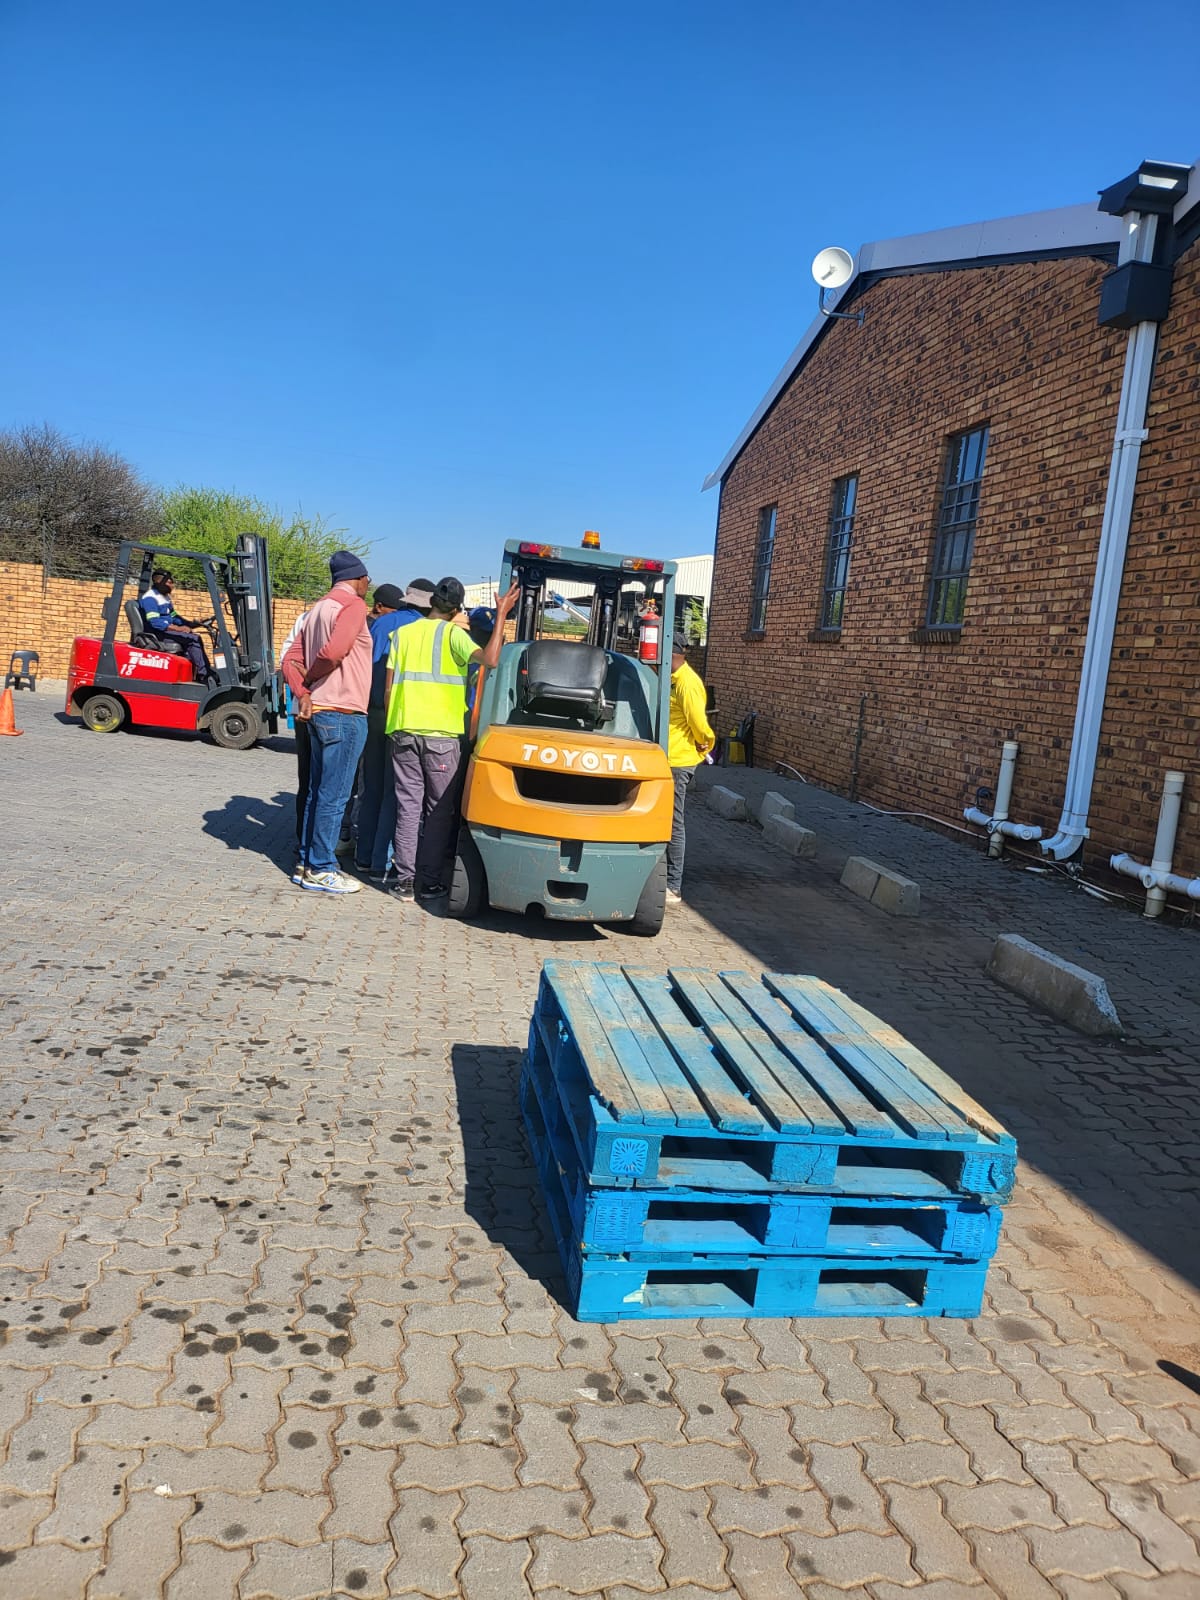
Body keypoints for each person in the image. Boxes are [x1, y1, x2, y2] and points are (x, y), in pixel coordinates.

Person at [385, 575, 519, 903]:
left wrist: (394, 725)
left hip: (403, 731)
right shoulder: (454, 636)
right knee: (438, 811)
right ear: (457, 609)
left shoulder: (401, 634)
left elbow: (389, 688)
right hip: (442, 737)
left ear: (431, 602)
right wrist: (501, 614)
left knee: (408, 807)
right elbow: (491, 659)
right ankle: (429, 881)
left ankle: (404, 881)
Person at [280, 551, 373, 894]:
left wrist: (303, 691)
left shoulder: (318, 608)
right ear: (358, 578)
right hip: (344, 713)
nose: (370, 584)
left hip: (318, 712)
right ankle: (322, 868)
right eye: (368, 578)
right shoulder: (353, 607)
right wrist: (316, 678)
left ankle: (305, 863)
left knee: (317, 794)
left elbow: (290, 658)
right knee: (334, 798)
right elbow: (334, 653)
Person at [353, 579, 435, 882]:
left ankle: (362, 857)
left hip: (372, 713)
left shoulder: (382, 623)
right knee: (395, 793)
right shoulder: (424, 632)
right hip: (402, 717)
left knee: (371, 787)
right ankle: (379, 863)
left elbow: (367, 664)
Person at [666, 631, 714, 905]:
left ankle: (673, 884)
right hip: (665, 758)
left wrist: (706, 744)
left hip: (679, 761)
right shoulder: (671, 680)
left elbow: (698, 723)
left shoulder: (688, 683)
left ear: (676, 653)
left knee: (674, 821)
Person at [139, 569, 216, 683]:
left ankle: (195, 674)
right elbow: (155, 622)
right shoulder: (150, 598)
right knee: (193, 639)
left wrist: (192, 624)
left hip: (166, 631)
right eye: (170, 583)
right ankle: (205, 676)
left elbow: (174, 617)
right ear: (160, 582)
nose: (173, 585)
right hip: (157, 634)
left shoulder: (165, 597)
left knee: (192, 636)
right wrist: (178, 629)